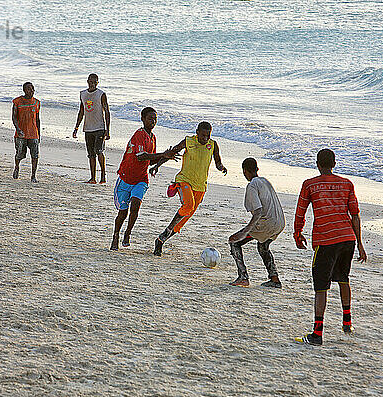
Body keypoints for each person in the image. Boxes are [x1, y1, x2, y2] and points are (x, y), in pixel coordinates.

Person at [293, 149, 367, 346]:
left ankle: (317, 334)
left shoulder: (310, 185)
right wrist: (359, 243)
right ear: (334, 163)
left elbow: (300, 212)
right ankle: (347, 322)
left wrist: (297, 233)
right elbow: (355, 215)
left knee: (321, 287)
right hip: (347, 239)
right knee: (343, 279)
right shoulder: (347, 184)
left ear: (317, 164)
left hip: (326, 241)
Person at [151, 121, 227, 256]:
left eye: (208, 136)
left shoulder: (213, 145)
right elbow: (171, 153)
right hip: (184, 180)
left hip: (200, 186)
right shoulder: (188, 141)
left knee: (183, 220)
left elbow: (218, 162)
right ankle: (165, 233)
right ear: (197, 132)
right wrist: (157, 165)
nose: (205, 138)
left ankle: (161, 240)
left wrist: (221, 168)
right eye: (203, 135)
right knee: (188, 205)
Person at [111, 107, 177, 250]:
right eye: (150, 118)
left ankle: (127, 233)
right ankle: (116, 235)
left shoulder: (153, 138)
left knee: (135, 205)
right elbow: (141, 156)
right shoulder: (139, 134)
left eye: (155, 119)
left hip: (141, 179)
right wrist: (162, 154)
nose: (153, 121)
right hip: (125, 178)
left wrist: (161, 161)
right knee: (123, 212)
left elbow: (150, 160)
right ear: (142, 119)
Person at [228, 158, 285, 288]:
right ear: (257, 169)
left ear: (245, 171)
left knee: (234, 242)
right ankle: (274, 279)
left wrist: (245, 231)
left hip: (267, 223)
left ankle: (243, 277)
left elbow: (258, 212)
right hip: (280, 222)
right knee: (263, 246)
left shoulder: (252, 185)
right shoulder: (265, 181)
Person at [72, 73, 111, 184]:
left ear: (97, 83)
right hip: (88, 128)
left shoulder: (101, 94)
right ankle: (93, 178)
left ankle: (103, 175)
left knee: (99, 151)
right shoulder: (83, 94)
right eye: (91, 81)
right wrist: (76, 127)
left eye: (95, 82)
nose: (92, 84)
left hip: (100, 127)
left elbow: (107, 111)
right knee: (91, 154)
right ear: (87, 81)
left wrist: (107, 130)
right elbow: (81, 111)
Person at [12, 82, 41, 183]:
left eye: (32, 89)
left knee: (35, 155)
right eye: (29, 89)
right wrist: (18, 129)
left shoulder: (37, 103)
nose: (31, 91)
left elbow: (37, 119)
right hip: (21, 134)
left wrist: (39, 134)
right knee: (19, 154)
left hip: (33, 133)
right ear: (24, 90)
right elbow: (14, 117)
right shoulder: (17, 102)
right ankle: (16, 167)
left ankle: (33, 176)